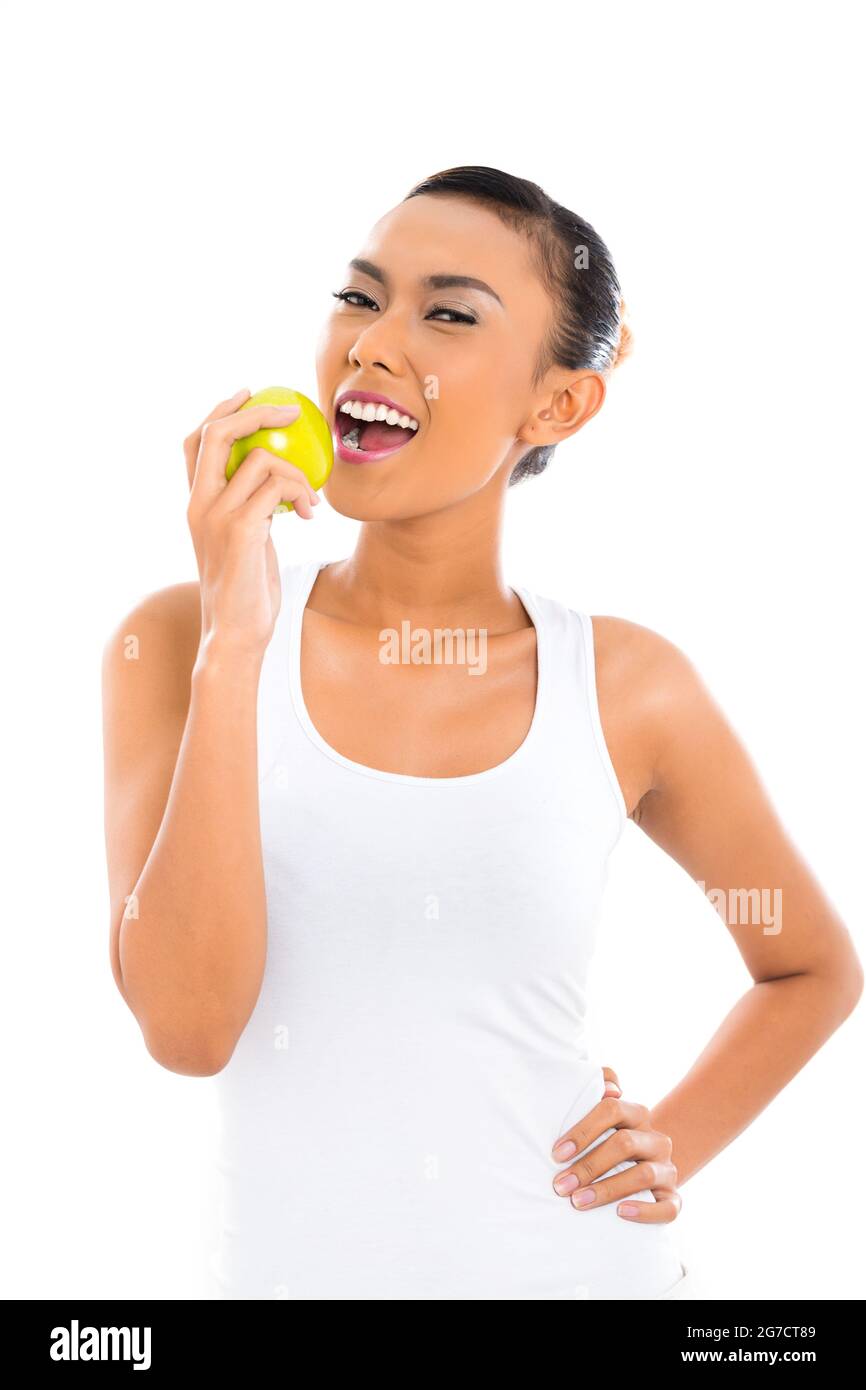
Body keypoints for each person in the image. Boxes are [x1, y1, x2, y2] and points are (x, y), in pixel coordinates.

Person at [101, 166, 862, 1300]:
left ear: (555, 405)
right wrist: (236, 644)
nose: (371, 345)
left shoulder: (626, 686)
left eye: (447, 314)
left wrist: (669, 1140)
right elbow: (188, 1026)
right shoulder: (181, 639)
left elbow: (809, 966)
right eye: (359, 299)